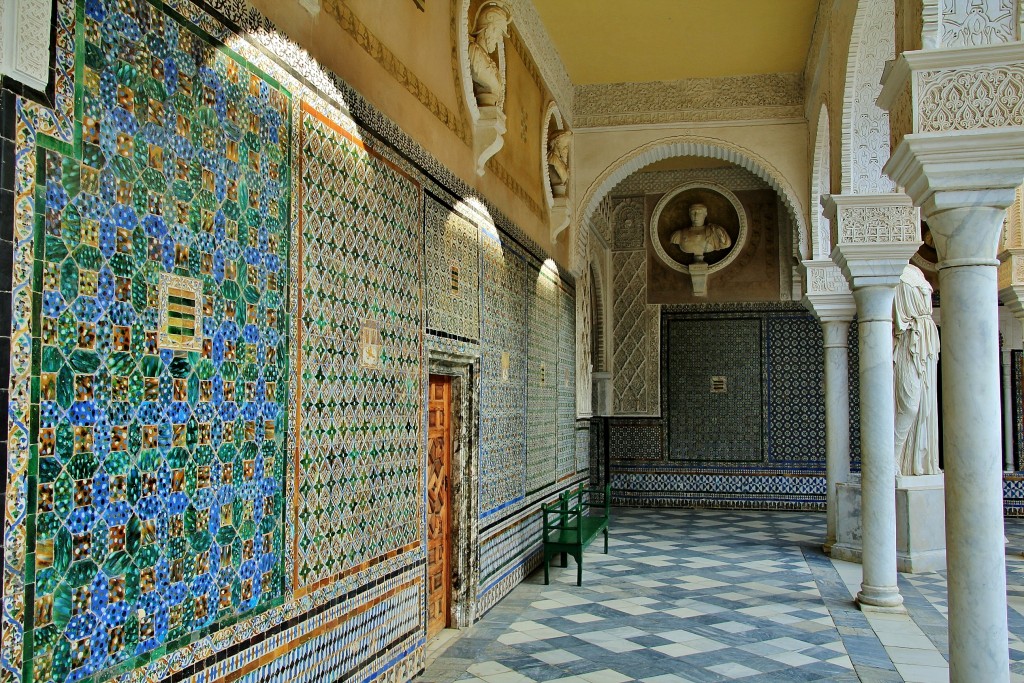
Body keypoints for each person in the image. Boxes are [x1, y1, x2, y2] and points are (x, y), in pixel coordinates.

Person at [893, 263, 941, 476]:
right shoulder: (893, 272)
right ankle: (892, 456)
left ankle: (917, 461)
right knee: (909, 404)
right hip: (907, 340)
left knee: (925, 404)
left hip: (925, 340)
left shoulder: (915, 271)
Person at [469, 3, 510, 107]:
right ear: (489, 29)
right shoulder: (473, 53)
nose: (498, 39)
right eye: (498, 33)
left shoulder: (489, 62)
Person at [547, 130, 572, 197]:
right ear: (557, 143)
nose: (566, 149)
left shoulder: (561, 162)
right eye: (565, 146)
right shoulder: (552, 160)